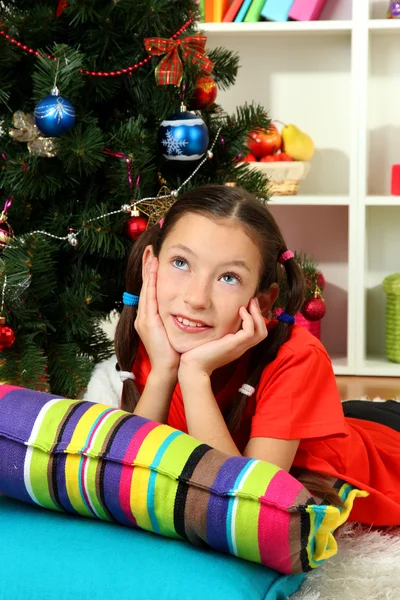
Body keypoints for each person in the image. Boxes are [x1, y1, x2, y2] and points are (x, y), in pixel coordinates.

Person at [115, 184, 400, 527]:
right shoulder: (157, 335)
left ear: (262, 301)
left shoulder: (298, 354)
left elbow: (247, 505)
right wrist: (163, 371)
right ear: (152, 266)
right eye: (181, 262)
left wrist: (193, 376)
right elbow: (125, 472)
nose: (196, 298)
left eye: (229, 277)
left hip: (384, 454)